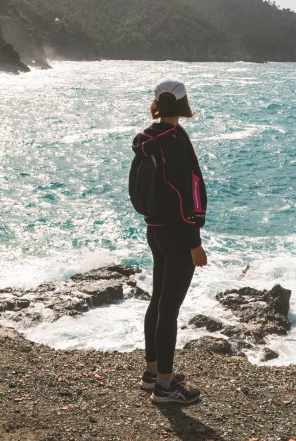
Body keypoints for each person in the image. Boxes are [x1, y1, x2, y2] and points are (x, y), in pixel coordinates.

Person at [132, 77, 207, 404]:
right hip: (177, 234)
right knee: (169, 308)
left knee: (159, 300)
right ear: (182, 104)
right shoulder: (174, 140)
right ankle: (165, 387)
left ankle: (153, 373)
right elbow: (181, 193)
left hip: (155, 229)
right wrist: (194, 241)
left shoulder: (150, 137)